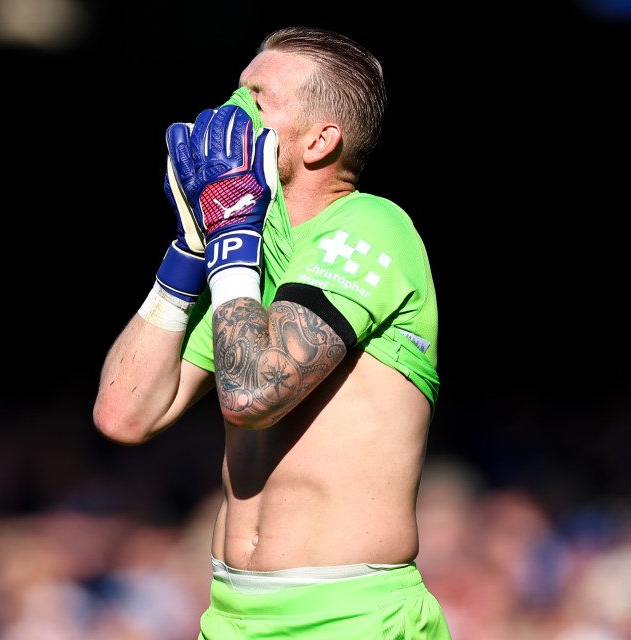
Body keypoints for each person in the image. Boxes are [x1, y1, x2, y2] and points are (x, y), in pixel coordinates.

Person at [93, 25, 451, 639]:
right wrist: (188, 251)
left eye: (258, 99)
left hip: (348, 615)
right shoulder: (251, 263)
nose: (230, 113)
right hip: (229, 613)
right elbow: (124, 415)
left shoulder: (373, 224)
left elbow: (253, 395)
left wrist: (230, 248)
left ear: (320, 140)